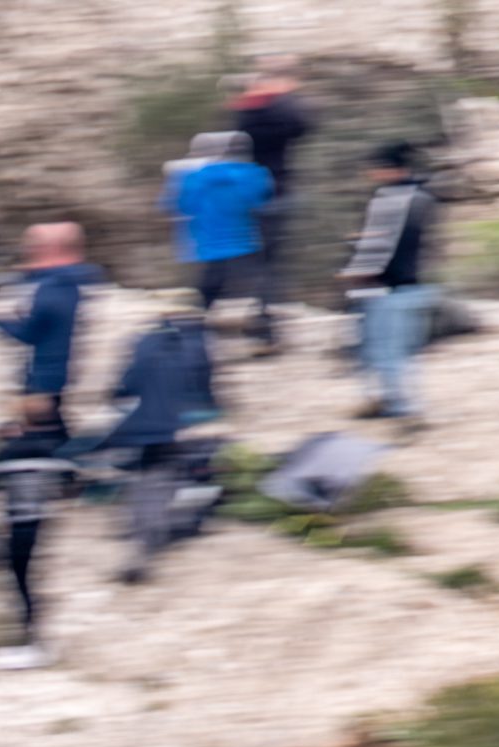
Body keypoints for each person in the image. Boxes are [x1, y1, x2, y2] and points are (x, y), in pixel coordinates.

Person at [99, 299, 219, 584]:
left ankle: (142, 536)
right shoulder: (198, 342)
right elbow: (203, 383)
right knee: (171, 480)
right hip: (179, 426)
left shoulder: (142, 341)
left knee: (144, 483)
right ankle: (159, 536)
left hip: (142, 427)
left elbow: (127, 384)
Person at [343, 144, 439, 426]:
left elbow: (381, 246)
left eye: (376, 168)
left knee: (386, 349)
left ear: (390, 169)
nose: (371, 174)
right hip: (412, 285)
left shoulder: (391, 199)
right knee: (394, 349)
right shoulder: (421, 197)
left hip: (388, 287)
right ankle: (389, 401)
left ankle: (404, 408)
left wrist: (357, 269)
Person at [228, 57, 314, 349]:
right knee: (270, 260)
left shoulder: (245, 111)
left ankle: (258, 318)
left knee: (255, 258)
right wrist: (281, 94)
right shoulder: (283, 111)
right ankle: (266, 325)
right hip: (276, 190)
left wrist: (259, 94)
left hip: (246, 191)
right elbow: (304, 124)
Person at [0, 221, 102, 434]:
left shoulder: (53, 287)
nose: (27, 251)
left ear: (53, 248)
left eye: (33, 245)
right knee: (53, 433)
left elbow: (28, 333)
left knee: (45, 434)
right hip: (64, 377)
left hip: (47, 380)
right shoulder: (82, 281)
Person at [0, 416, 74, 669]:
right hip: (43, 521)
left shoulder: (3, 456)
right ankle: (34, 639)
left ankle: (33, 638)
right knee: (32, 578)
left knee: (21, 579)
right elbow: (68, 478)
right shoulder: (47, 451)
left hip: (19, 523)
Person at [166, 133, 274, 327]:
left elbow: (183, 206)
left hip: (209, 245)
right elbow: (260, 202)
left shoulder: (192, 178)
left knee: (208, 288)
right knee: (258, 284)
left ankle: (200, 328)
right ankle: (263, 328)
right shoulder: (250, 174)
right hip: (244, 242)